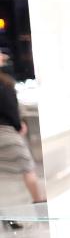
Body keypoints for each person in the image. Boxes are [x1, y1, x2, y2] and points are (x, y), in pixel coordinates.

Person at [0, 57, 44, 204]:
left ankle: (7, 215)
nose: (4, 57)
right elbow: (11, 109)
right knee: (28, 169)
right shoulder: (4, 83)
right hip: (6, 134)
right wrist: (19, 126)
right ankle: (38, 203)